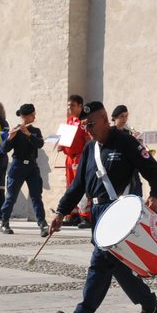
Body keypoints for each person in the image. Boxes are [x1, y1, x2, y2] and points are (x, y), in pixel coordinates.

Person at [48, 101, 157, 313]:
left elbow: (153, 169)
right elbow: (78, 186)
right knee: (118, 266)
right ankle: (150, 306)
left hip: (121, 212)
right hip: (99, 213)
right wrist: (62, 212)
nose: (88, 129)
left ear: (104, 120)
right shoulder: (89, 150)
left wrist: (155, 195)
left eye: (91, 124)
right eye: (84, 125)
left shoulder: (126, 143)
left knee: (101, 261)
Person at [0, 103, 49, 235]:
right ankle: (4, 222)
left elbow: (40, 144)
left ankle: (42, 224)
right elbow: (4, 149)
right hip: (17, 166)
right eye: (33, 114)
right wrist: (9, 138)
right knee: (11, 197)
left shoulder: (35, 131)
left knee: (36, 196)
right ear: (27, 116)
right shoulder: (15, 130)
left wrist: (28, 134)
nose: (34, 116)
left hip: (32, 166)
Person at [56, 94, 92, 227]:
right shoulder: (69, 121)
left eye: (72, 105)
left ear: (80, 106)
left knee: (80, 186)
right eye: (68, 105)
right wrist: (61, 145)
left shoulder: (83, 122)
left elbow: (88, 140)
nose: (69, 108)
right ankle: (73, 214)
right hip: (69, 158)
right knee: (70, 186)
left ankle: (85, 216)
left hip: (80, 157)